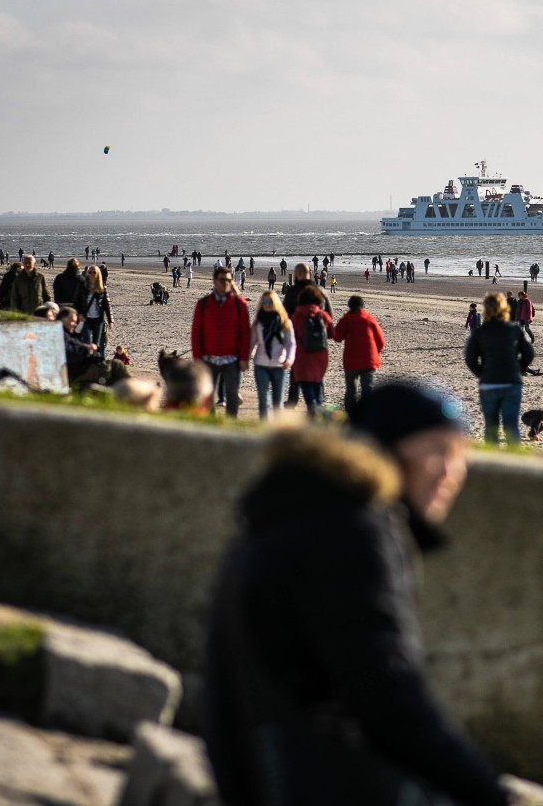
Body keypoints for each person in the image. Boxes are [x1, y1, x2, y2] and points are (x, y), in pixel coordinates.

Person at [203, 387, 510, 806]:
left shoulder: (296, 512)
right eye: (437, 450)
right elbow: (385, 693)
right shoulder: (353, 530)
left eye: (460, 454)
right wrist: (487, 793)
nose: (451, 471)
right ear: (387, 452)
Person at [464, 292, 534, 445]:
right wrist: (519, 370)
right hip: (511, 382)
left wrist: (481, 373)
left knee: (491, 427)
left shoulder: (480, 332)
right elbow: (528, 353)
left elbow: (470, 359)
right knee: (511, 426)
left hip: (489, 382)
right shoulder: (513, 330)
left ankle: (491, 464)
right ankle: (515, 463)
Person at [192, 267, 251, 418]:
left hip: (232, 360)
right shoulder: (203, 304)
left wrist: (244, 358)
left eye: (229, 280)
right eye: (222, 280)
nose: (226, 283)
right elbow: (196, 333)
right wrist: (197, 358)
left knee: (232, 396)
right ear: (214, 281)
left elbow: (245, 334)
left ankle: (230, 428)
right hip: (208, 359)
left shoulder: (240, 304)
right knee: (207, 397)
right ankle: (211, 427)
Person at [249, 290, 297, 421]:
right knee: (264, 400)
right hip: (261, 364)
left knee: (278, 402)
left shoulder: (285, 322)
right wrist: (245, 359)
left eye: (269, 301)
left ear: (275, 303)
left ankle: (277, 431)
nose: (267, 304)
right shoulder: (258, 323)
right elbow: (251, 343)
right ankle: (264, 428)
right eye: (264, 301)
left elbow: (290, 344)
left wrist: (289, 360)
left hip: (279, 365)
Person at [333, 294, 386, 411]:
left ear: (349, 306)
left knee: (351, 390)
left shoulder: (346, 320)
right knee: (368, 389)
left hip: (351, 361)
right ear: (362, 306)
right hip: (369, 361)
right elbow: (380, 341)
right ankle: (368, 414)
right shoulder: (369, 319)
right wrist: (376, 353)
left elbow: (337, 337)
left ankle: (351, 414)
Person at [289, 285, 334, 419]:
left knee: (305, 383)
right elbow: (332, 334)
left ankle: (312, 406)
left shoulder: (297, 316)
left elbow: (291, 335)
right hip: (320, 356)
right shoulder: (323, 315)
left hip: (302, 355)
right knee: (317, 382)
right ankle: (318, 406)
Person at [79, 265, 113, 352]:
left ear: (98, 274)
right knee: (86, 343)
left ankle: (94, 362)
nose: (92, 274)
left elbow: (107, 305)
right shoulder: (83, 287)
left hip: (98, 319)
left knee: (96, 344)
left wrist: (110, 320)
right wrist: (79, 314)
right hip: (86, 319)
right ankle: (87, 362)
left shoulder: (102, 289)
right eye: (90, 272)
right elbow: (77, 301)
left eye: (94, 272)